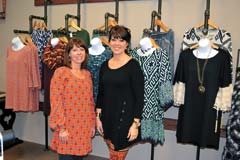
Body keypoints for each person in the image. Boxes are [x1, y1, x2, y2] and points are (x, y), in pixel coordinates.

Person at [96, 25, 144, 160]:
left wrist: (135, 124)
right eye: (114, 39)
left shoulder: (133, 65)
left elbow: (139, 98)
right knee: (112, 153)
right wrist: (98, 117)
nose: (117, 43)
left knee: (119, 155)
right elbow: (101, 93)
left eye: (121, 40)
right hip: (108, 117)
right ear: (109, 41)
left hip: (125, 118)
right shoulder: (105, 65)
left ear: (127, 44)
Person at [49, 38, 96, 160]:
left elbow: (90, 102)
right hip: (67, 127)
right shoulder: (61, 72)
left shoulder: (87, 74)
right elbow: (56, 101)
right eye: (75, 50)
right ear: (68, 53)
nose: (79, 53)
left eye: (82, 49)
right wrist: (61, 128)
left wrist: (92, 124)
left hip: (83, 126)